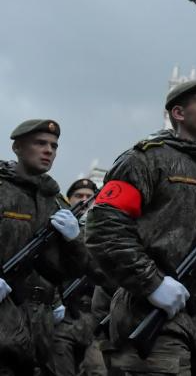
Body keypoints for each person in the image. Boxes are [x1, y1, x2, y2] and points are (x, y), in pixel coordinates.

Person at [86, 77, 196, 375]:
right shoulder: (144, 160)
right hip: (153, 315)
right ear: (178, 113)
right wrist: (152, 284)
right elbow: (105, 229)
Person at [0, 119, 85, 376]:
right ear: (17, 147)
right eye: (40, 143)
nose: (48, 150)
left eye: (53, 146)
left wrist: (75, 240)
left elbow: (78, 270)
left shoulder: (57, 202)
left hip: (41, 331)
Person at [52, 178, 106, 376]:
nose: (83, 200)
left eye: (88, 196)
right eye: (78, 196)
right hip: (66, 316)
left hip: (96, 319)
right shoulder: (56, 228)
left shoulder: (105, 230)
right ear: (69, 199)